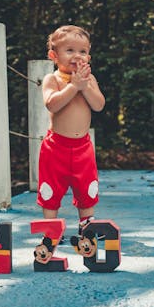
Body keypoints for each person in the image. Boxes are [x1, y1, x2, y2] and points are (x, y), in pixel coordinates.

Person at [37, 25, 105, 235]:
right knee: (51, 189)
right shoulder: (53, 79)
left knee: (86, 187)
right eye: (70, 50)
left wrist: (84, 87)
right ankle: (51, 230)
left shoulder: (89, 80)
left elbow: (99, 105)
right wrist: (73, 86)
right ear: (53, 56)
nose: (77, 56)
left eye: (82, 51)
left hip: (82, 148)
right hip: (55, 147)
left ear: (89, 56)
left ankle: (87, 225)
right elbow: (52, 104)